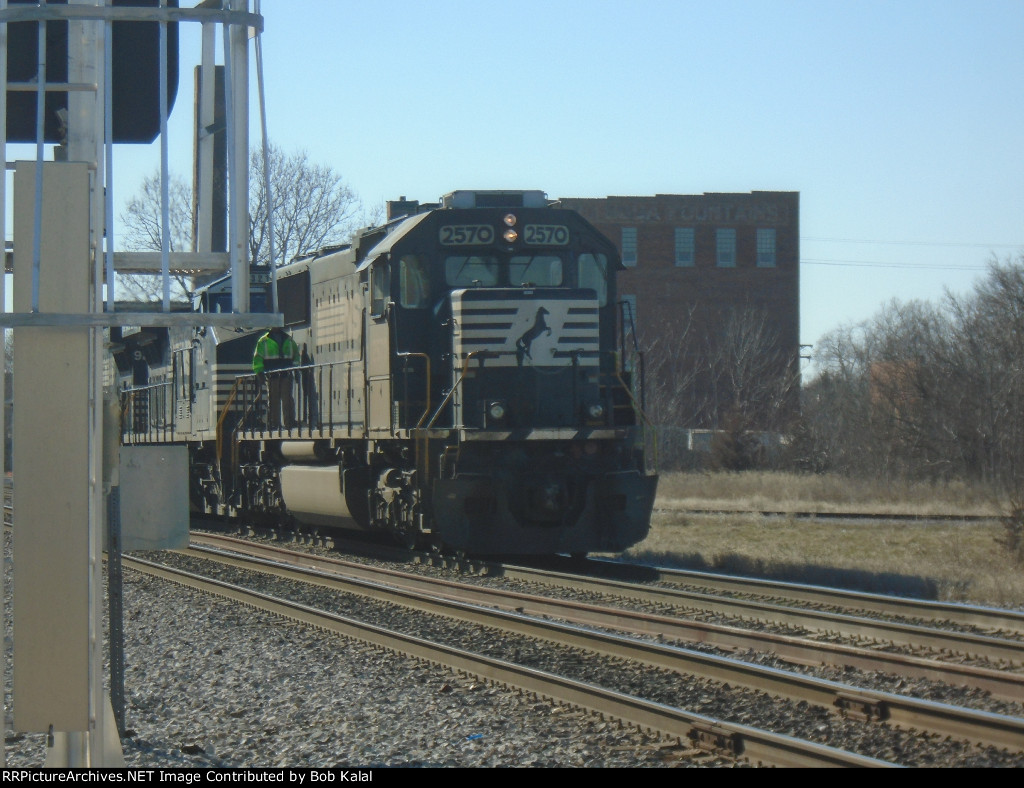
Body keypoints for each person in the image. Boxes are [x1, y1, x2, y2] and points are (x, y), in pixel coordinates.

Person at [252, 326, 300, 429]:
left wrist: (296, 369)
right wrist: (259, 372)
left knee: (287, 399)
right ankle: (274, 424)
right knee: (274, 400)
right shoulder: (263, 341)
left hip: (286, 374)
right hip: (272, 375)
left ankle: (289, 423)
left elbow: (296, 355)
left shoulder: (289, 339)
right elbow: (258, 358)